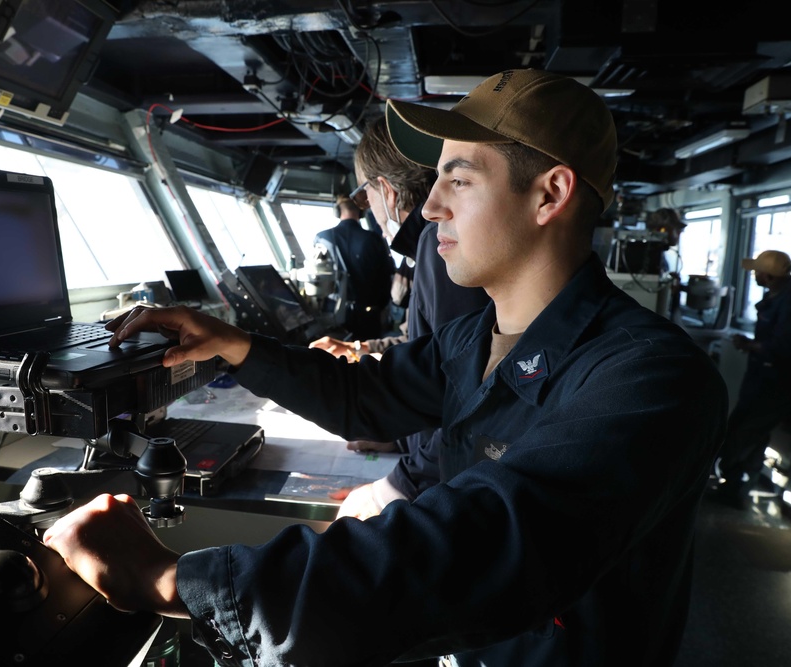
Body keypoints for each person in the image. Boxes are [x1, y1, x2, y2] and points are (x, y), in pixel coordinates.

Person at [43, 69, 728, 666]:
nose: (430, 207)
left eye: (458, 179)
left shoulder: (652, 380)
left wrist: (169, 577)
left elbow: (479, 546)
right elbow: (365, 393)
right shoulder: (475, 338)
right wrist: (232, 344)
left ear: (549, 195)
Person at [309, 116, 491, 515]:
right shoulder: (430, 246)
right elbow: (434, 350)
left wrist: (393, 489)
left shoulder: (435, 243)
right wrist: (399, 439)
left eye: (364, 195)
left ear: (386, 191)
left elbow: (463, 393)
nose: (368, 209)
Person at [714, 249, 791, 510]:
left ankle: (734, 487)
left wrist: (751, 346)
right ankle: (736, 487)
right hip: (761, 379)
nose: (753, 275)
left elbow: (785, 347)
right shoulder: (777, 295)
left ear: (770, 276)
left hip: (776, 384)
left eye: (757, 271)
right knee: (750, 433)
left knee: (742, 434)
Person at [312, 193, 395, 339]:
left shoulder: (321, 237)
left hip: (333, 314)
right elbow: (387, 277)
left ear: (337, 211)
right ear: (362, 210)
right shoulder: (374, 239)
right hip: (368, 316)